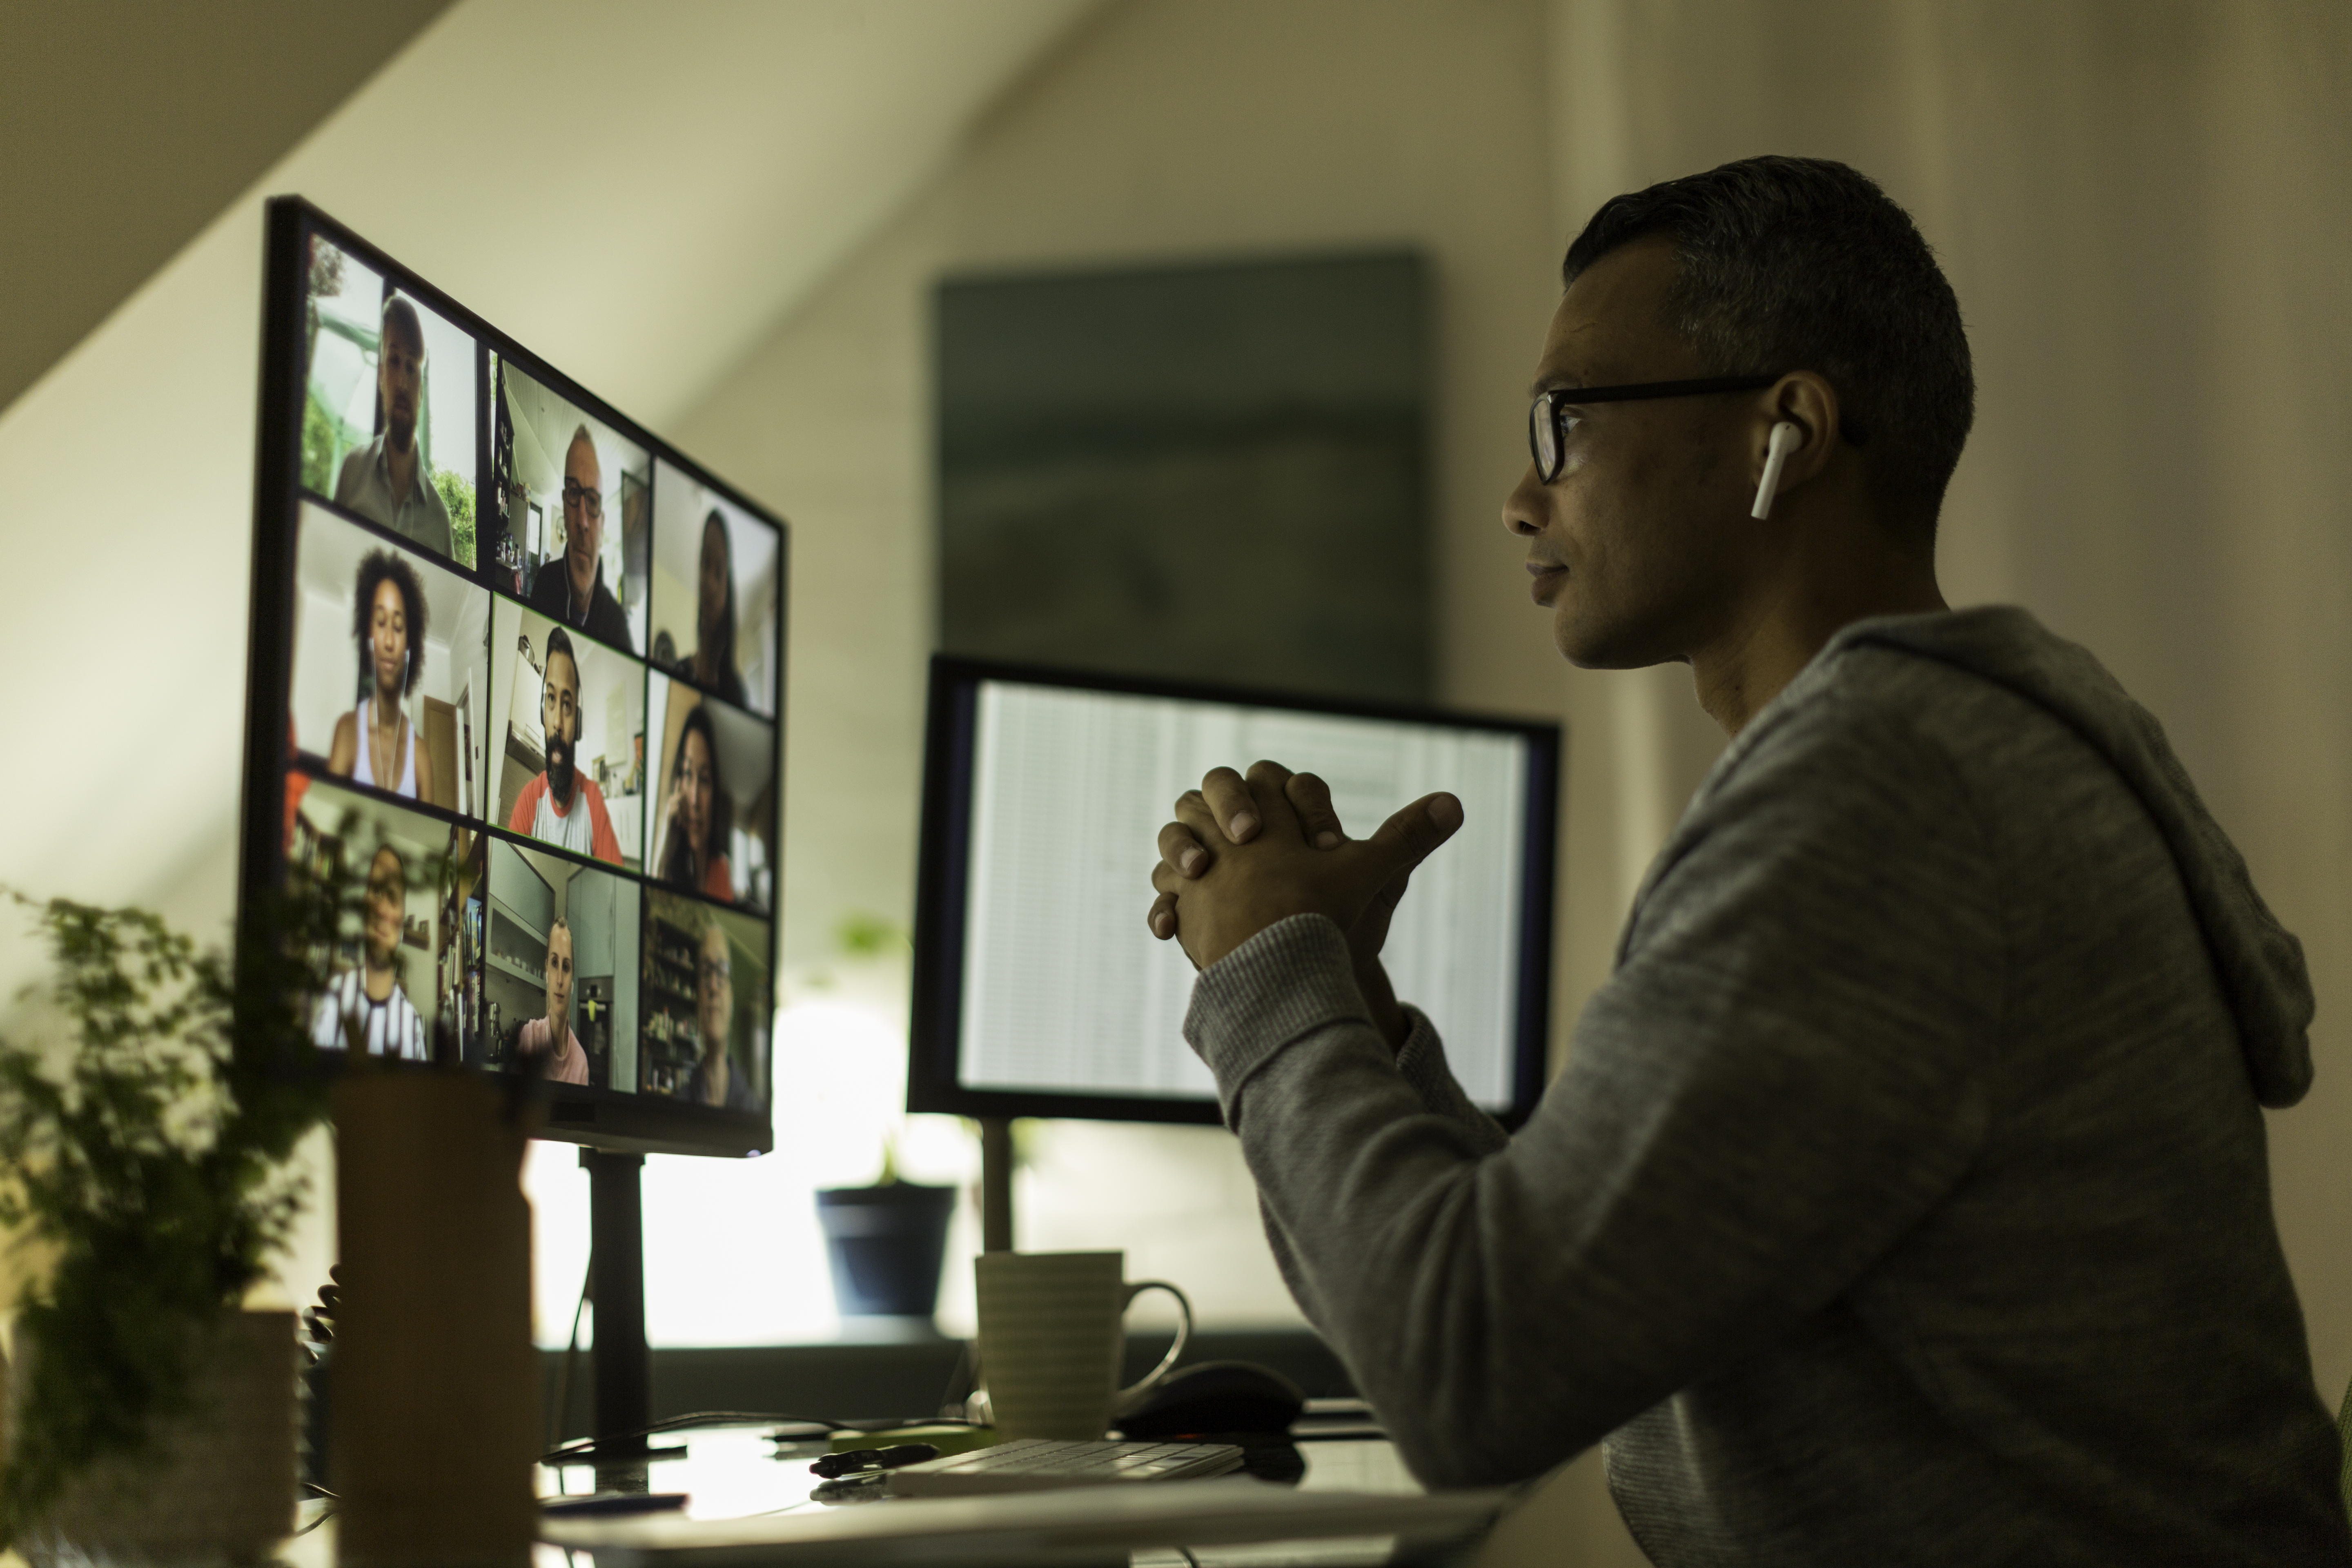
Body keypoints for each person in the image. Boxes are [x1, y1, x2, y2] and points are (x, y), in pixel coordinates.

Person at [1146, 157, 2348, 1564]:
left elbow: (1471, 1373)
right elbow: (1600, 1302)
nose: (1522, 497)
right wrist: (1351, 1004)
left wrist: (1268, 977)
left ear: (1789, 430)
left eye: (1568, 422)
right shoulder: (1939, 756)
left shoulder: (1883, 799)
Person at [333, 295, 455, 559]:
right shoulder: (351, 473)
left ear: (421, 391)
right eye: (394, 361)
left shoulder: (440, 521)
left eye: (412, 367)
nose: (401, 382)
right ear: (380, 376)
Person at [327, 550, 437, 806]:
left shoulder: (421, 758)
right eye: (380, 622)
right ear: (367, 637)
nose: (389, 641)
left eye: (398, 627)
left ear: (411, 646)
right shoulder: (347, 733)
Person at [507, 627, 623, 864]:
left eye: (567, 704)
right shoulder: (529, 801)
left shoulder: (592, 801)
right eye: (551, 699)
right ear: (543, 712)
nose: (558, 722)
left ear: (578, 723)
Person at [310, 843, 428, 1060]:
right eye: (376, 891)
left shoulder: (412, 1026)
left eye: (393, 897)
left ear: (402, 918)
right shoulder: (333, 998)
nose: (382, 910)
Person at [526, 424, 633, 650]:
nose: (583, 521)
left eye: (593, 501)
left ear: (602, 524)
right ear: (564, 506)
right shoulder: (543, 584)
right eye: (574, 493)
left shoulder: (618, 627)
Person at [653, 703, 733, 901]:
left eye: (704, 779)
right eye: (688, 774)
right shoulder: (669, 865)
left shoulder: (722, 870)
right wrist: (671, 841)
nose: (695, 800)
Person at [671, 508, 747, 706]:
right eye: (705, 563)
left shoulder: (736, 693)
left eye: (719, 571)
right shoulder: (678, 671)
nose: (709, 583)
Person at [682, 916, 753, 1109]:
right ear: (698, 1000)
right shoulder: (679, 1104)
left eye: (722, 971)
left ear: (732, 998)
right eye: (706, 972)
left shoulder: (753, 1108)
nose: (713, 986)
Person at [513, 917, 590, 1085]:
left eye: (566, 967)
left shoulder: (581, 1063)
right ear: (547, 969)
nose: (560, 980)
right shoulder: (529, 1038)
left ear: (572, 981)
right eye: (555, 963)